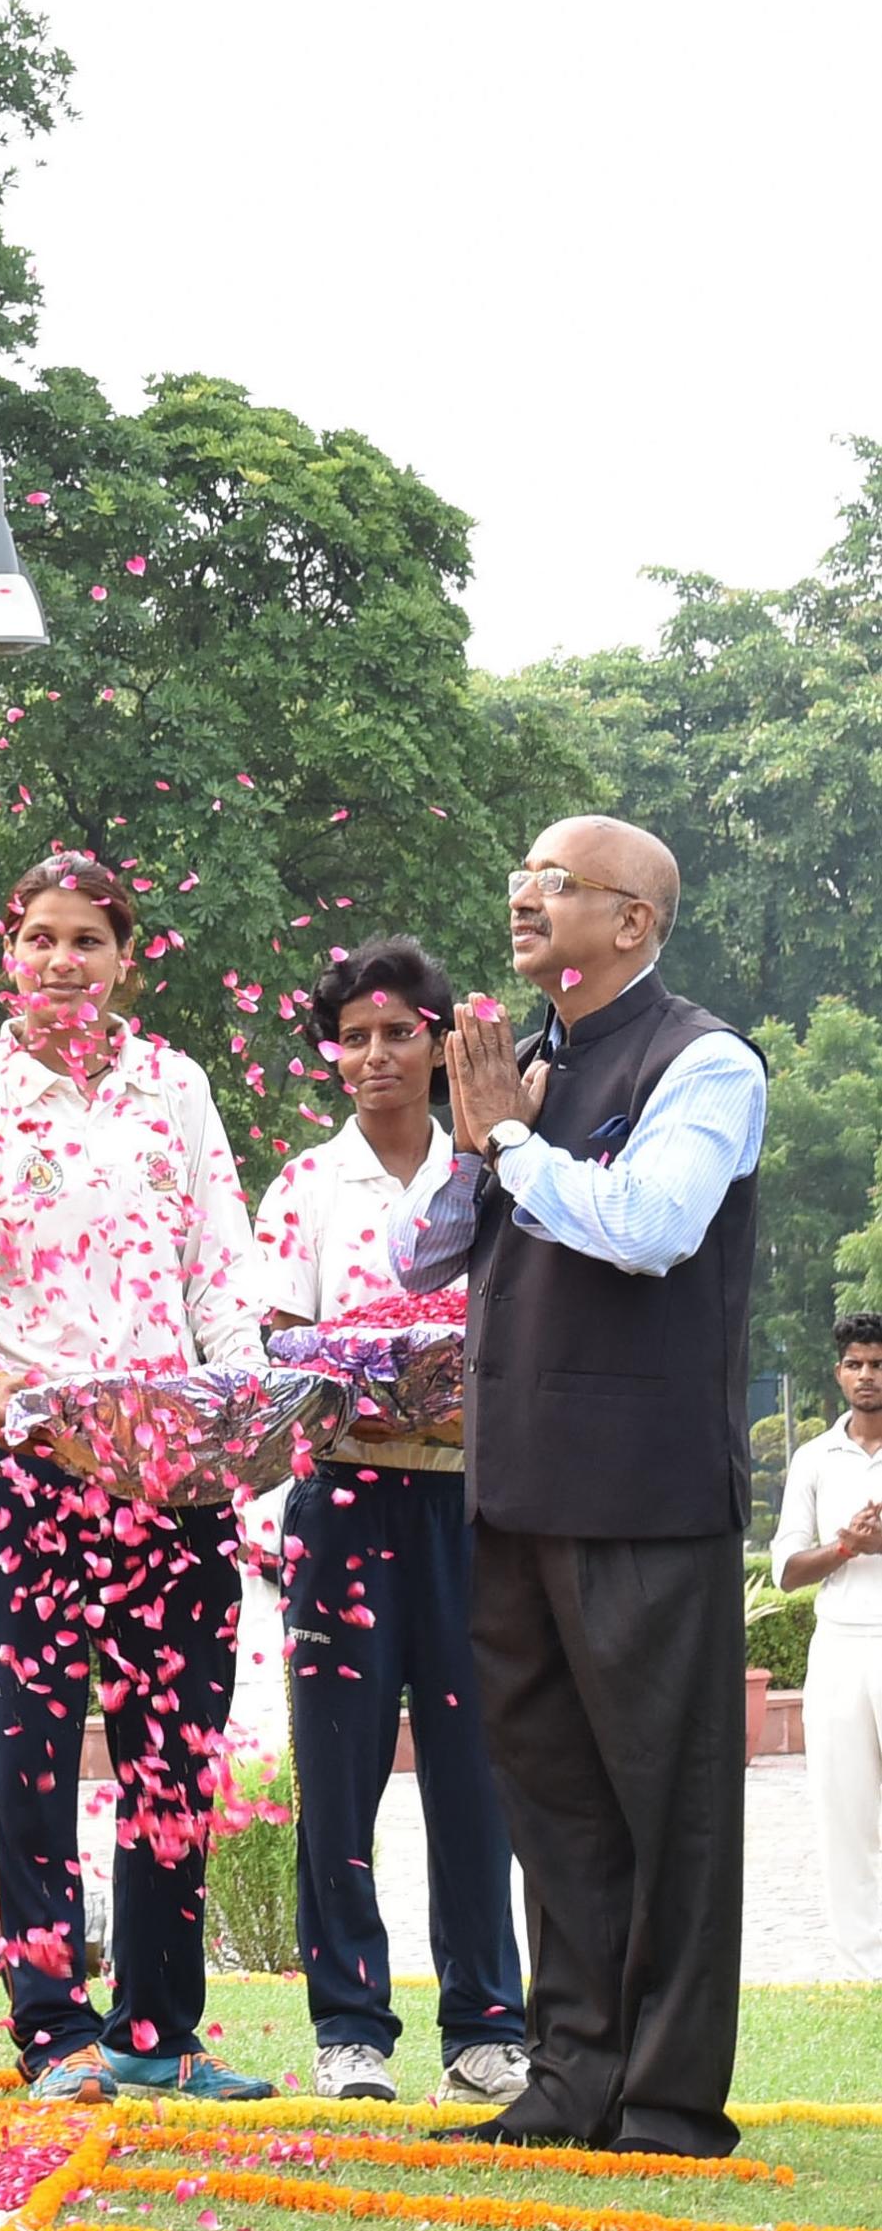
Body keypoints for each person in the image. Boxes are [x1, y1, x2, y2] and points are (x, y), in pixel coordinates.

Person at [389, 816, 765, 2157]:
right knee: (550, 1798)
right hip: (518, 1487)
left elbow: (653, 1229)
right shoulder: (532, 1064)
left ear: (633, 925)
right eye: (522, 873)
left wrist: (511, 1147)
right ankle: (569, 2077)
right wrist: (473, 1142)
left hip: (644, 1494)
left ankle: (664, 2100)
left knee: (665, 1802)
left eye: (556, 880)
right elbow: (420, 1252)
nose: (523, 893)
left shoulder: (703, 1061)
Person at [0, 851, 273, 2106]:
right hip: (27, 1463)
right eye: (41, 939)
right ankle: (52, 2027)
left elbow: (220, 1255)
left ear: (125, 958)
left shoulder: (172, 1087)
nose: (63, 962)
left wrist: (236, 1399)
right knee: (31, 1750)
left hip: (172, 1466)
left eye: (88, 942)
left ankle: (156, 2031)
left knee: (172, 1750)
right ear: (6, 953)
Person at [254, 935, 526, 2105]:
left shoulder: (498, 1173)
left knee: (477, 1773)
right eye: (351, 1036)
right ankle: (349, 2027)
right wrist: (358, 1368)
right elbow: (263, 1348)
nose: (372, 1055)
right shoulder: (305, 1187)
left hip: (470, 1509)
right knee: (339, 1769)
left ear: (438, 1043)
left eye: (396, 1034)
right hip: (343, 1505)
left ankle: (484, 2023)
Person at [769, 1316, 882, 1980]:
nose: (866, 1375)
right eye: (854, 1363)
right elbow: (785, 1569)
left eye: (876, 1362)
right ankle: (861, 1972)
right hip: (839, 1649)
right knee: (844, 1814)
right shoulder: (813, 1459)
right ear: (837, 1373)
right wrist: (845, 1546)